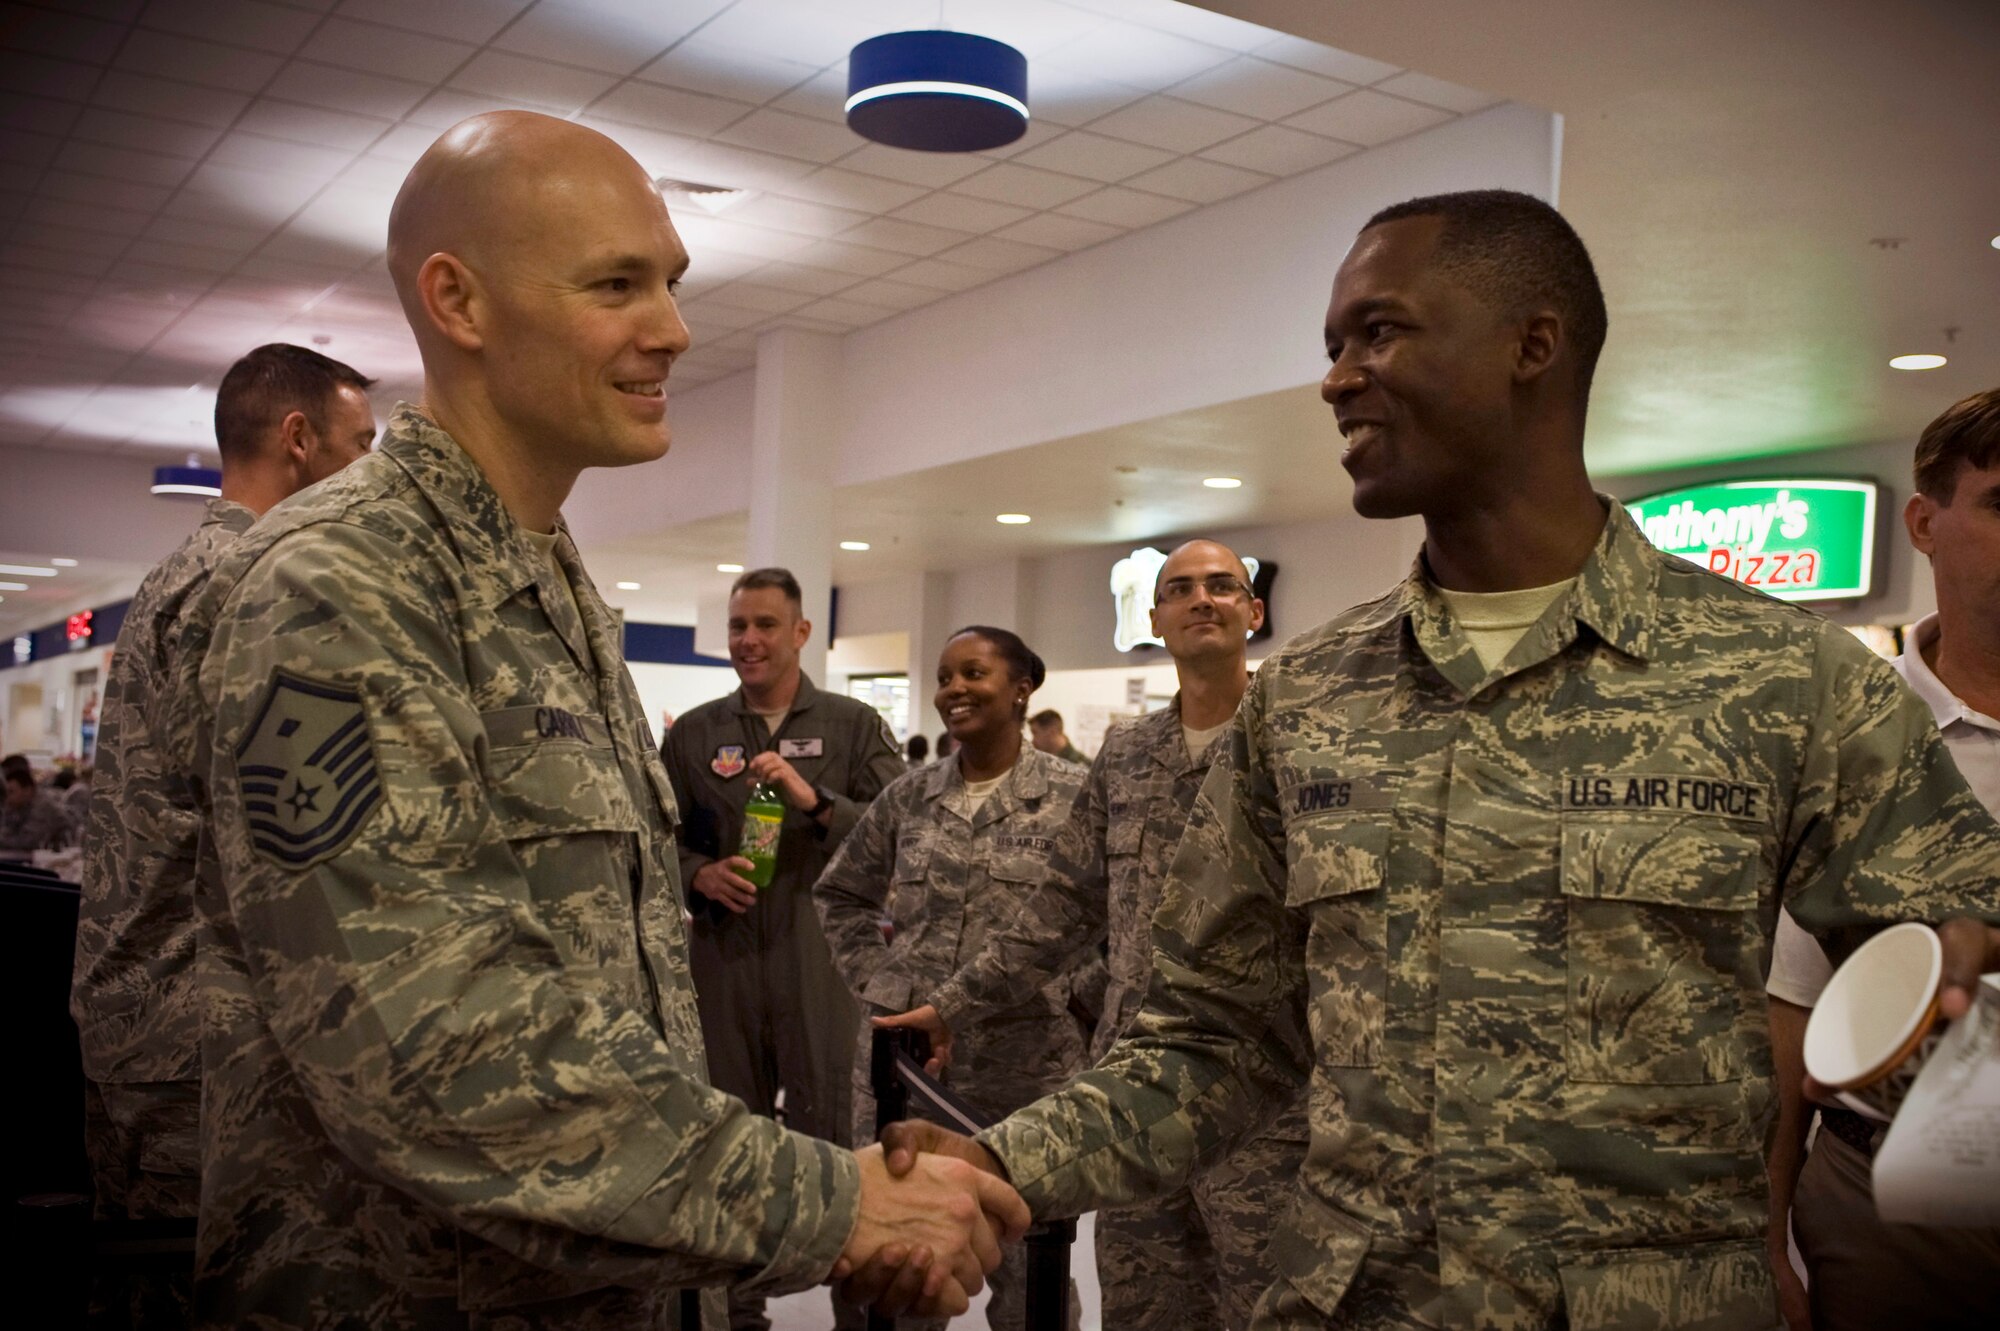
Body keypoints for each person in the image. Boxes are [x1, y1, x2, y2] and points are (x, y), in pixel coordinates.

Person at [865, 189, 2000, 1329]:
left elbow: (1955, 948)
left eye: (1380, 331)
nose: (1335, 376)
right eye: (1332, 344)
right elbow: (1210, 1039)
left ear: (1531, 344)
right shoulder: (1307, 699)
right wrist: (996, 1159)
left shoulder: (1782, 681)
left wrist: (1958, 989)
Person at [162, 110, 1022, 1330]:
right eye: (616, 284)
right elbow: (428, 1045)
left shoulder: (544, 582)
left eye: (669, 281)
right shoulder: (338, 584)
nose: (670, 328)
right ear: (457, 302)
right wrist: (835, 1205)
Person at [879, 540, 1305, 1331]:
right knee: (1146, 1308)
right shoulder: (1130, 754)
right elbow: (1059, 908)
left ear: (1254, 611)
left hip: (1267, 1103)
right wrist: (952, 1005)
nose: (1200, 600)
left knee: (1270, 1308)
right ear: (1157, 620)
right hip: (1136, 1089)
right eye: (1179, 589)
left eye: (1221, 586)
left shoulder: (1298, 745)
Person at [69, 341, 377, 1326]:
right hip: (195, 1043)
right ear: (299, 440)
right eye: (360, 444)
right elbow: (298, 834)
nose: (370, 473)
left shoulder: (184, 573)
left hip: (155, 1026)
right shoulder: (246, 583)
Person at [1765, 387, 2000, 1331]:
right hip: (1893, 1197)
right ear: (1925, 522)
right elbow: (1789, 1007)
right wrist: (1766, 1234)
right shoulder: (1846, 734)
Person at [815, 627, 1090, 1331]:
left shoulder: (1074, 795)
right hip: (907, 1076)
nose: (954, 689)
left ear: (1022, 687)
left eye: (973, 672)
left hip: (1026, 1075)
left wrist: (1077, 1005)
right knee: (893, 1260)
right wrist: (884, 983)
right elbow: (840, 892)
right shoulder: (910, 797)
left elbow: (1111, 919)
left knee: (1034, 1276)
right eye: (943, 677)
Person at [660, 566, 905, 1331]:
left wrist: (814, 800)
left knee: (835, 1141)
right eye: (738, 626)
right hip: (725, 966)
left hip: (821, 966)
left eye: (766, 625)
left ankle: (855, 1315)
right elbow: (649, 837)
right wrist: (699, 873)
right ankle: (735, 1315)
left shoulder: (852, 726)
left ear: (801, 632)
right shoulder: (696, 733)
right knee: (725, 1145)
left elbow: (905, 834)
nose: (749, 640)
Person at [1, 765, 69, 852]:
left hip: (61, 857)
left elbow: (28, 842)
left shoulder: (42, 807)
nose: (7, 797)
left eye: (11, 792)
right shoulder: (17, 805)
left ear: (27, 790)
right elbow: (6, 830)